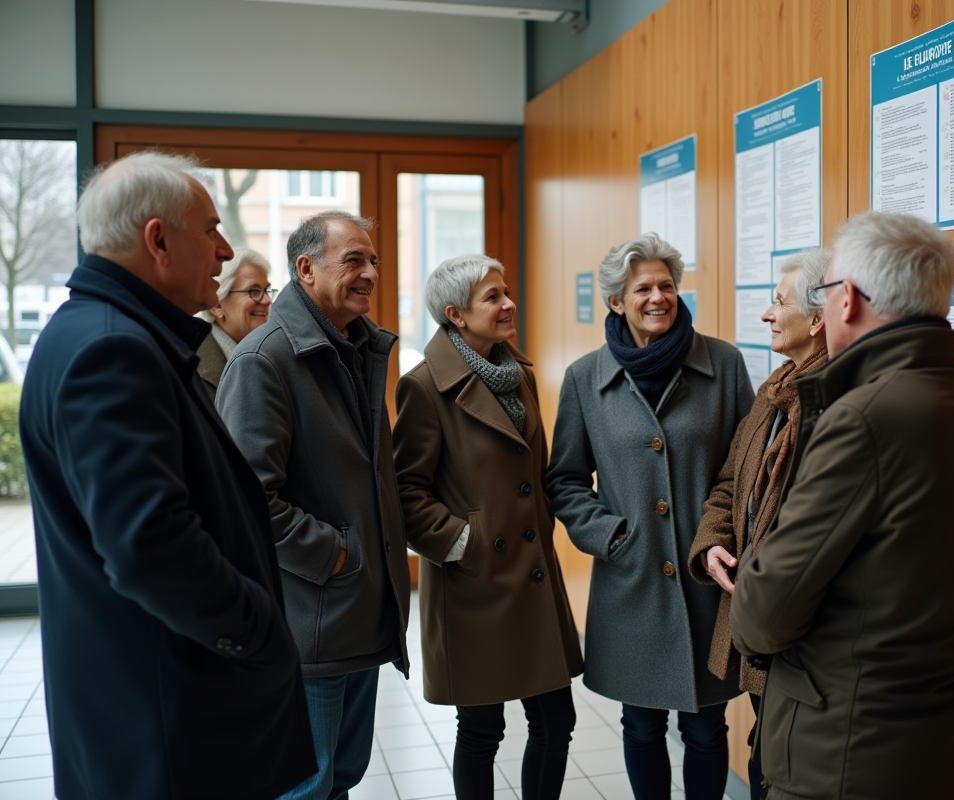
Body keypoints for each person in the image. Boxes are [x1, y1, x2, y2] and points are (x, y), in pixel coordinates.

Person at [18, 151, 316, 800]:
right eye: (210, 231)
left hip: (150, 703)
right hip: (169, 717)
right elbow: (150, 545)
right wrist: (260, 629)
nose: (224, 251)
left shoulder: (95, 332)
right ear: (157, 240)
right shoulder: (113, 350)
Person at [729, 211, 954, 800]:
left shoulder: (863, 418)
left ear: (849, 300)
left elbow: (763, 616)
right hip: (941, 743)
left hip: (842, 754)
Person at [547, 232, 754, 800]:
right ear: (617, 301)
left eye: (666, 286)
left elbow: (748, 468)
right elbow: (565, 480)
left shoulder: (724, 364)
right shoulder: (585, 378)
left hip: (707, 576)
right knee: (640, 724)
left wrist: (723, 538)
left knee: (707, 726)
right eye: (643, 289)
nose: (658, 298)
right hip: (631, 578)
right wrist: (611, 537)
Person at [217, 210, 412, 800]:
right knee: (306, 785)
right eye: (353, 260)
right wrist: (338, 556)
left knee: (341, 778)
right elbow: (247, 500)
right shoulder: (263, 360)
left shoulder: (356, 348)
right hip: (311, 623)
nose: (370, 273)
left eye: (373, 260)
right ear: (306, 268)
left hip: (360, 614)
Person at [393, 254, 584, 800]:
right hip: (473, 582)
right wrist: (464, 543)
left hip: (531, 574)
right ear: (456, 314)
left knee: (556, 721)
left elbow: (533, 473)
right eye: (493, 297)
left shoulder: (519, 374)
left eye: (506, 293)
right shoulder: (423, 387)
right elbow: (406, 492)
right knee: (482, 731)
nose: (509, 304)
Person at [687, 248, 831, 800]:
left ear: (817, 320)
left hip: (798, 632)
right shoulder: (776, 390)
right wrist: (713, 543)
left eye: (779, 302)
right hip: (757, 618)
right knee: (765, 759)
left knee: (783, 769)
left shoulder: (833, 405)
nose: (768, 314)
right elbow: (729, 483)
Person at [197, 247, 276, 399]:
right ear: (217, 306)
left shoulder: (272, 354)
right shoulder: (192, 366)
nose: (267, 301)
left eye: (266, 290)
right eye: (254, 291)